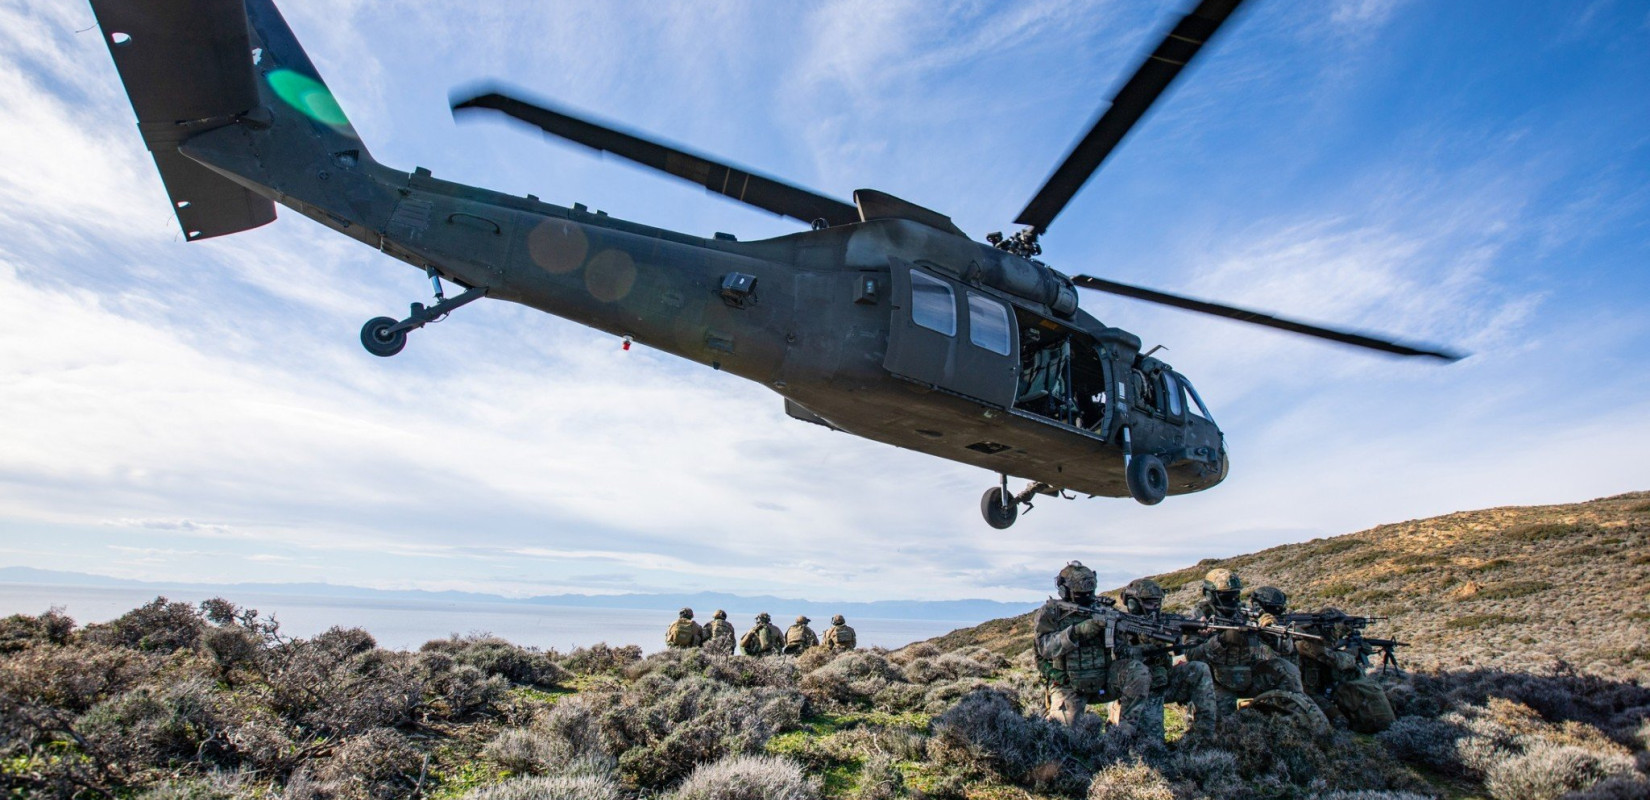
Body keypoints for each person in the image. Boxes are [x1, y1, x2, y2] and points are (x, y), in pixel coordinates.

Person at [1184, 570, 1326, 734]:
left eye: (1236, 595)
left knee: (1285, 668)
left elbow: (1286, 649)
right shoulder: (1198, 617)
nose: (1233, 600)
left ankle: (1305, 722)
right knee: (1224, 730)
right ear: (1210, 595)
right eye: (1226, 596)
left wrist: (1271, 634)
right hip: (1216, 683)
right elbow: (1192, 654)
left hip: (1249, 676)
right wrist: (1222, 640)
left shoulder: (1245, 613)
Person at [1111, 578, 1216, 740]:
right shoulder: (1120, 623)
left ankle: (1205, 734)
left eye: (1157, 602)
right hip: (1138, 691)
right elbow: (1118, 655)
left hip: (1163, 681)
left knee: (1199, 669)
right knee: (1152, 746)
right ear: (1133, 603)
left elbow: (1181, 649)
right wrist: (1146, 644)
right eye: (1149, 603)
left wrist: (1197, 630)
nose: (1155, 607)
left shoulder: (1163, 620)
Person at [1033, 561, 1121, 726]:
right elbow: (1044, 648)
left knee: (1138, 675)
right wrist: (1077, 632)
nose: (1087, 597)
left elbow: (1123, 649)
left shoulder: (1102, 609)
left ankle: (1124, 730)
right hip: (1067, 684)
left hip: (1103, 680)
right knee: (1063, 735)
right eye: (1080, 594)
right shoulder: (1052, 612)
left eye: (1089, 592)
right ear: (1064, 591)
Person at [1291, 608, 1398, 733]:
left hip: (1325, 689)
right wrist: (1353, 652)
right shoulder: (1304, 640)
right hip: (1307, 693)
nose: (1339, 634)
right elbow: (1335, 660)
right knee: (1339, 721)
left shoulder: (1321, 640)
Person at [1248, 586, 1300, 665]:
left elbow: (1287, 650)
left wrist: (1279, 634)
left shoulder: (1278, 622)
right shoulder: (1247, 621)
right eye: (1273, 609)